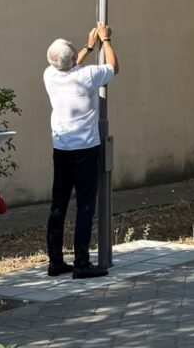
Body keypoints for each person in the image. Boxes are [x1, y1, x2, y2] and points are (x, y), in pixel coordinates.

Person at [43, 21, 118, 279]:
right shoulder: (87, 76)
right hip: (85, 149)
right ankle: (81, 263)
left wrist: (87, 47)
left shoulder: (49, 75)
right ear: (74, 59)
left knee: (59, 205)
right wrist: (105, 40)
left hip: (61, 148)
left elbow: (69, 63)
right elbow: (112, 67)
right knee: (85, 205)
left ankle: (55, 262)